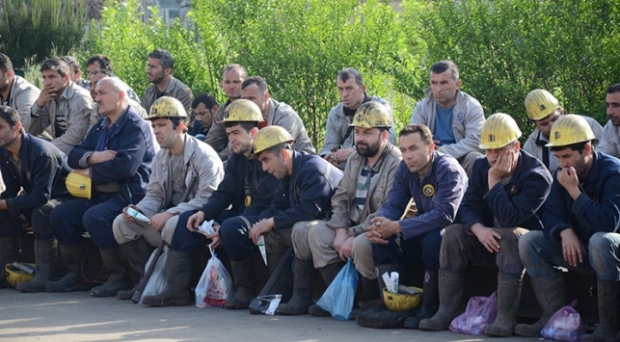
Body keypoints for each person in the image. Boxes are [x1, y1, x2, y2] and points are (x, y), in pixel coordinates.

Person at [419, 113, 553, 337]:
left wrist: (494, 182)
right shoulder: (482, 166)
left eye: (499, 150)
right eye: (488, 150)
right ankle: (446, 311)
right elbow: (467, 207)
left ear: (516, 147)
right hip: (489, 241)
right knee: (452, 233)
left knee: (511, 234)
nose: (492, 157)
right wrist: (477, 229)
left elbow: (512, 217)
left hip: (526, 250)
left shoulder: (537, 176)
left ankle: (505, 317)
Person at [141, 99, 278, 307]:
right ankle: (176, 290)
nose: (231, 139)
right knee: (186, 220)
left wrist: (221, 228)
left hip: (263, 216)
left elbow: (262, 205)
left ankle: (244, 290)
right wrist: (203, 214)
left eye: (237, 133)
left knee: (232, 227)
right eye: (229, 134)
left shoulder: (267, 157)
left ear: (254, 133)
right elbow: (223, 194)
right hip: (242, 213)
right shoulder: (237, 157)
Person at [46, 77, 156, 296]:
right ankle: (76, 274)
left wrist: (90, 172)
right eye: (95, 94)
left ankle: (119, 276)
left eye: (102, 93)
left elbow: (125, 168)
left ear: (121, 96)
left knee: (95, 217)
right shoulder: (101, 126)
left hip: (128, 195)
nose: (96, 99)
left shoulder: (136, 127)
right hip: (99, 193)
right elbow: (74, 155)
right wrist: (94, 156)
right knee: (60, 215)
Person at [516, 115, 620, 342]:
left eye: (567, 156)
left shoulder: (613, 172)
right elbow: (551, 215)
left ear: (586, 149)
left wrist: (575, 191)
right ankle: (553, 317)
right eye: (558, 157)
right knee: (529, 241)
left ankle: (609, 326)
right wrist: (564, 230)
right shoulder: (561, 174)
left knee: (601, 240)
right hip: (582, 251)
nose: (562, 163)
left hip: (611, 253)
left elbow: (608, 223)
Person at [296, 101, 402, 317]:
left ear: (383, 136)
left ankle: (370, 302)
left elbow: (387, 210)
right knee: (315, 233)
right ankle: (342, 300)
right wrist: (342, 230)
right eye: (358, 132)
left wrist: (353, 235)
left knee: (363, 244)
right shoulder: (355, 158)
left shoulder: (395, 162)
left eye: (367, 133)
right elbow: (341, 197)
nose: (360, 138)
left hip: (379, 229)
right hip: (352, 225)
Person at [112, 96, 224, 301]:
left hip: (203, 223)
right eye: (154, 126)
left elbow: (210, 199)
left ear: (180, 126)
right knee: (122, 224)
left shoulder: (204, 156)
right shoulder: (160, 157)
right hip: (169, 222)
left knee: (173, 223)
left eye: (162, 125)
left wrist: (170, 213)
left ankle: (176, 290)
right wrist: (138, 210)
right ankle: (146, 283)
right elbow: (154, 194)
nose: (156, 131)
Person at [365, 123, 467, 329]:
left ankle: (428, 308)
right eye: (403, 150)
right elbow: (394, 202)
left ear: (430, 148)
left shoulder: (448, 170)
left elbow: (445, 215)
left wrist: (398, 226)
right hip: (426, 225)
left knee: (432, 240)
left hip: (458, 231)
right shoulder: (405, 168)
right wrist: (380, 223)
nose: (407, 155)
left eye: (413, 148)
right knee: (383, 239)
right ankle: (393, 305)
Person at [237, 126, 342, 315]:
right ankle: (279, 294)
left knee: (300, 229)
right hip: (315, 227)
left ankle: (309, 296)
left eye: (266, 160)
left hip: (338, 226)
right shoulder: (286, 173)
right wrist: (261, 222)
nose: (264, 168)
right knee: (272, 232)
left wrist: (271, 221)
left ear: (284, 154)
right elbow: (277, 205)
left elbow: (308, 211)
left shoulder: (313, 169)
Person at [0, 105, 71, 290]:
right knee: (3, 212)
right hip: (41, 196)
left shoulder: (41, 152)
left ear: (16, 127)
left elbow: (41, 195)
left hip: (69, 198)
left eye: (0, 127)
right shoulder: (4, 151)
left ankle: (46, 274)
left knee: (42, 211)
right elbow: (12, 188)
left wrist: (6, 203)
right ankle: (6, 272)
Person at [410, 60, 485, 175]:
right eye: (434, 83)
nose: (438, 89)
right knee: (406, 159)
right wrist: (426, 147)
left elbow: (476, 141)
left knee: (475, 158)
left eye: (444, 83)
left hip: (461, 159)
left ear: (457, 84)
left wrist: (440, 151)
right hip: (430, 161)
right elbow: (412, 138)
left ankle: (472, 193)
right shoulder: (422, 107)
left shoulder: (471, 106)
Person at [321, 67, 396, 168]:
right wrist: (329, 158)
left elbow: (389, 141)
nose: (344, 94)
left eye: (349, 88)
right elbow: (328, 147)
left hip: (377, 165)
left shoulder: (380, 107)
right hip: (344, 167)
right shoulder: (335, 114)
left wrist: (353, 151)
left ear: (362, 89)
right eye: (340, 89)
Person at [523, 89, 603, 172]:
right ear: (536, 124)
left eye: (555, 119)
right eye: (544, 124)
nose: (552, 127)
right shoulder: (531, 146)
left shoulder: (589, 125)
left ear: (561, 111)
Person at [28, 58, 95, 156]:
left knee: (36, 155)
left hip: (79, 152)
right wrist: (38, 105)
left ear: (66, 78)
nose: (47, 82)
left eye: (52, 77)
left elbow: (75, 136)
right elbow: (30, 131)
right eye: (44, 77)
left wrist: (46, 149)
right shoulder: (49, 96)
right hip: (60, 147)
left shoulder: (79, 98)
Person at [240, 76, 315, 154]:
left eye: (251, 98)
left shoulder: (285, 115)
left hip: (301, 164)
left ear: (266, 97)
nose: (246, 104)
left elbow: (279, 151)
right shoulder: (245, 116)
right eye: (243, 99)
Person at [205, 64, 247, 161]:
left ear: (245, 83)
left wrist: (216, 161)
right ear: (222, 84)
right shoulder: (222, 111)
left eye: (236, 82)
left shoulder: (250, 107)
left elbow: (237, 145)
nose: (231, 86)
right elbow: (213, 139)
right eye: (227, 82)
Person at [140, 49, 193, 125]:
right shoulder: (149, 91)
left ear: (167, 71)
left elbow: (182, 124)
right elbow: (142, 119)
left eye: (153, 67)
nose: (148, 71)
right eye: (148, 66)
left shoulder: (182, 92)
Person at [0, 53, 40, 128]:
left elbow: (24, 128)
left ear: (9, 74)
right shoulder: (2, 91)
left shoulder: (26, 92)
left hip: (40, 138)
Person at [597, 83, 620, 158]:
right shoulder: (611, 127)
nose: (609, 112)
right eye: (607, 105)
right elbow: (603, 158)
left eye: (616, 105)